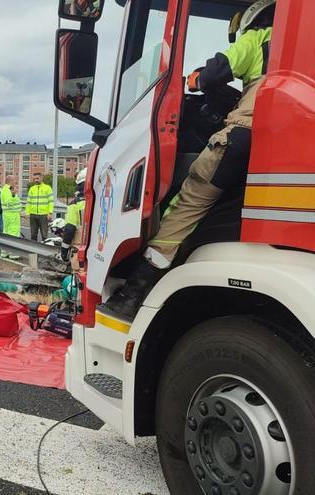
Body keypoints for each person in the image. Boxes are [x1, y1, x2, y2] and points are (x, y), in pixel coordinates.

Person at [104, 0, 275, 318]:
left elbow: (215, 73)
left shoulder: (259, 39)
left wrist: (194, 80)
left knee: (187, 205)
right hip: (280, 146)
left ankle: (133, 295)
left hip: (241, 138)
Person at [60, 168, 87, 262]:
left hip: (82, 248)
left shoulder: (75, 204)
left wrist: (64, 250)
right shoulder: (104, 202)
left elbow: (70, 229)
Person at [26, 172, 54, 242]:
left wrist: (50, 213)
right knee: (33, 235)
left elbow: (51, 201)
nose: (36, 180)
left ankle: (44, 252)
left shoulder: (47, 188)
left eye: (37, 178)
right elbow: (28, 202)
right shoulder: (32, 189)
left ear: (41, 178)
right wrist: (27, 213)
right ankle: (33, 251)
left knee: (44, 235)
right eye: (34, 179)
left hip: (44, 215)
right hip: (33, 214)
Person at [1, 176, 23, 258]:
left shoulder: (4, 189)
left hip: (7, 214)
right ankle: (13, 254)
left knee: (6, 234)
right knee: (13, 234)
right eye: (14, 180)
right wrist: (14, 195)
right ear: (10, 181)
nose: (16, 181)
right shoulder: (8, 190)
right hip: (12, 215)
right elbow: (9, 202)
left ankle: (5, 252)